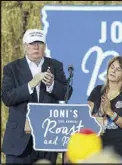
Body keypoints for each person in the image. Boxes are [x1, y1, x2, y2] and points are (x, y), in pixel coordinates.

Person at [1, 29, 71, 164]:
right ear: (24, 47)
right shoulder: (11, 68)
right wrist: (31, 84)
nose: (36, 47)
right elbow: (7, 98)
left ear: (44, 47)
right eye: (32, 43)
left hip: (47, 139)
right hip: (19, 140)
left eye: (40, 43)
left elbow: (66, 93)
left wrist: (52, 85)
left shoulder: (55, 65)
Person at [87, 56, 122, 161]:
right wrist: (99, 114)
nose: (113, 71)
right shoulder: (97, 91)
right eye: (112, 67)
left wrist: (110, 112)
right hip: (97, 146)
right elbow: (87, 119)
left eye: (118, 69)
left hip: (119, 148)